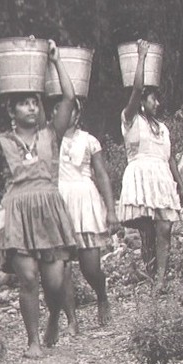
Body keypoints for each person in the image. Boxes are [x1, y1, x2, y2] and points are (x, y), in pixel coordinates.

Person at [0, 40, 77, 358]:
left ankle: (54, 318)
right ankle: (32, 341)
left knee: (55, 281)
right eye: (24, 103)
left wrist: (56, 60)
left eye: (35, 102)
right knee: (29, 279)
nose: (32, 108)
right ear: (11, 110)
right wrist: (5, 202)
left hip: (49, 209)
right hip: (18, 214)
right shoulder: (1, 143)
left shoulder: (51, 135)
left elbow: (70, 97)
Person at [118, 39, 183, 292]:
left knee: (165, 227)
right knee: (148, 230)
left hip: (161, 178)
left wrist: (179, 184)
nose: (157, 103)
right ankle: (152, 275)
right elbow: (135, 91)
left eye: (157, 100)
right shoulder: (130, 120)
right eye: (153, 99)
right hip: (140, 175)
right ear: (143, 101)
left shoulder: (164, 129)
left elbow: (169, 157)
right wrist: (142, 59)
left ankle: (160, 280)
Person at [57, 98, 120, 328]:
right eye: (59, 110)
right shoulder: (50, 141)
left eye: (69, 110)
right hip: (59, 202)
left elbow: (101, 175)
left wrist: (111, 210)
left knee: (90, 268)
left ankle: (101, 296)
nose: (64, 114)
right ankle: (71, 318)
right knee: (61, 265)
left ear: (77, 113)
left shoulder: (89, 140)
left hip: (85, 201)